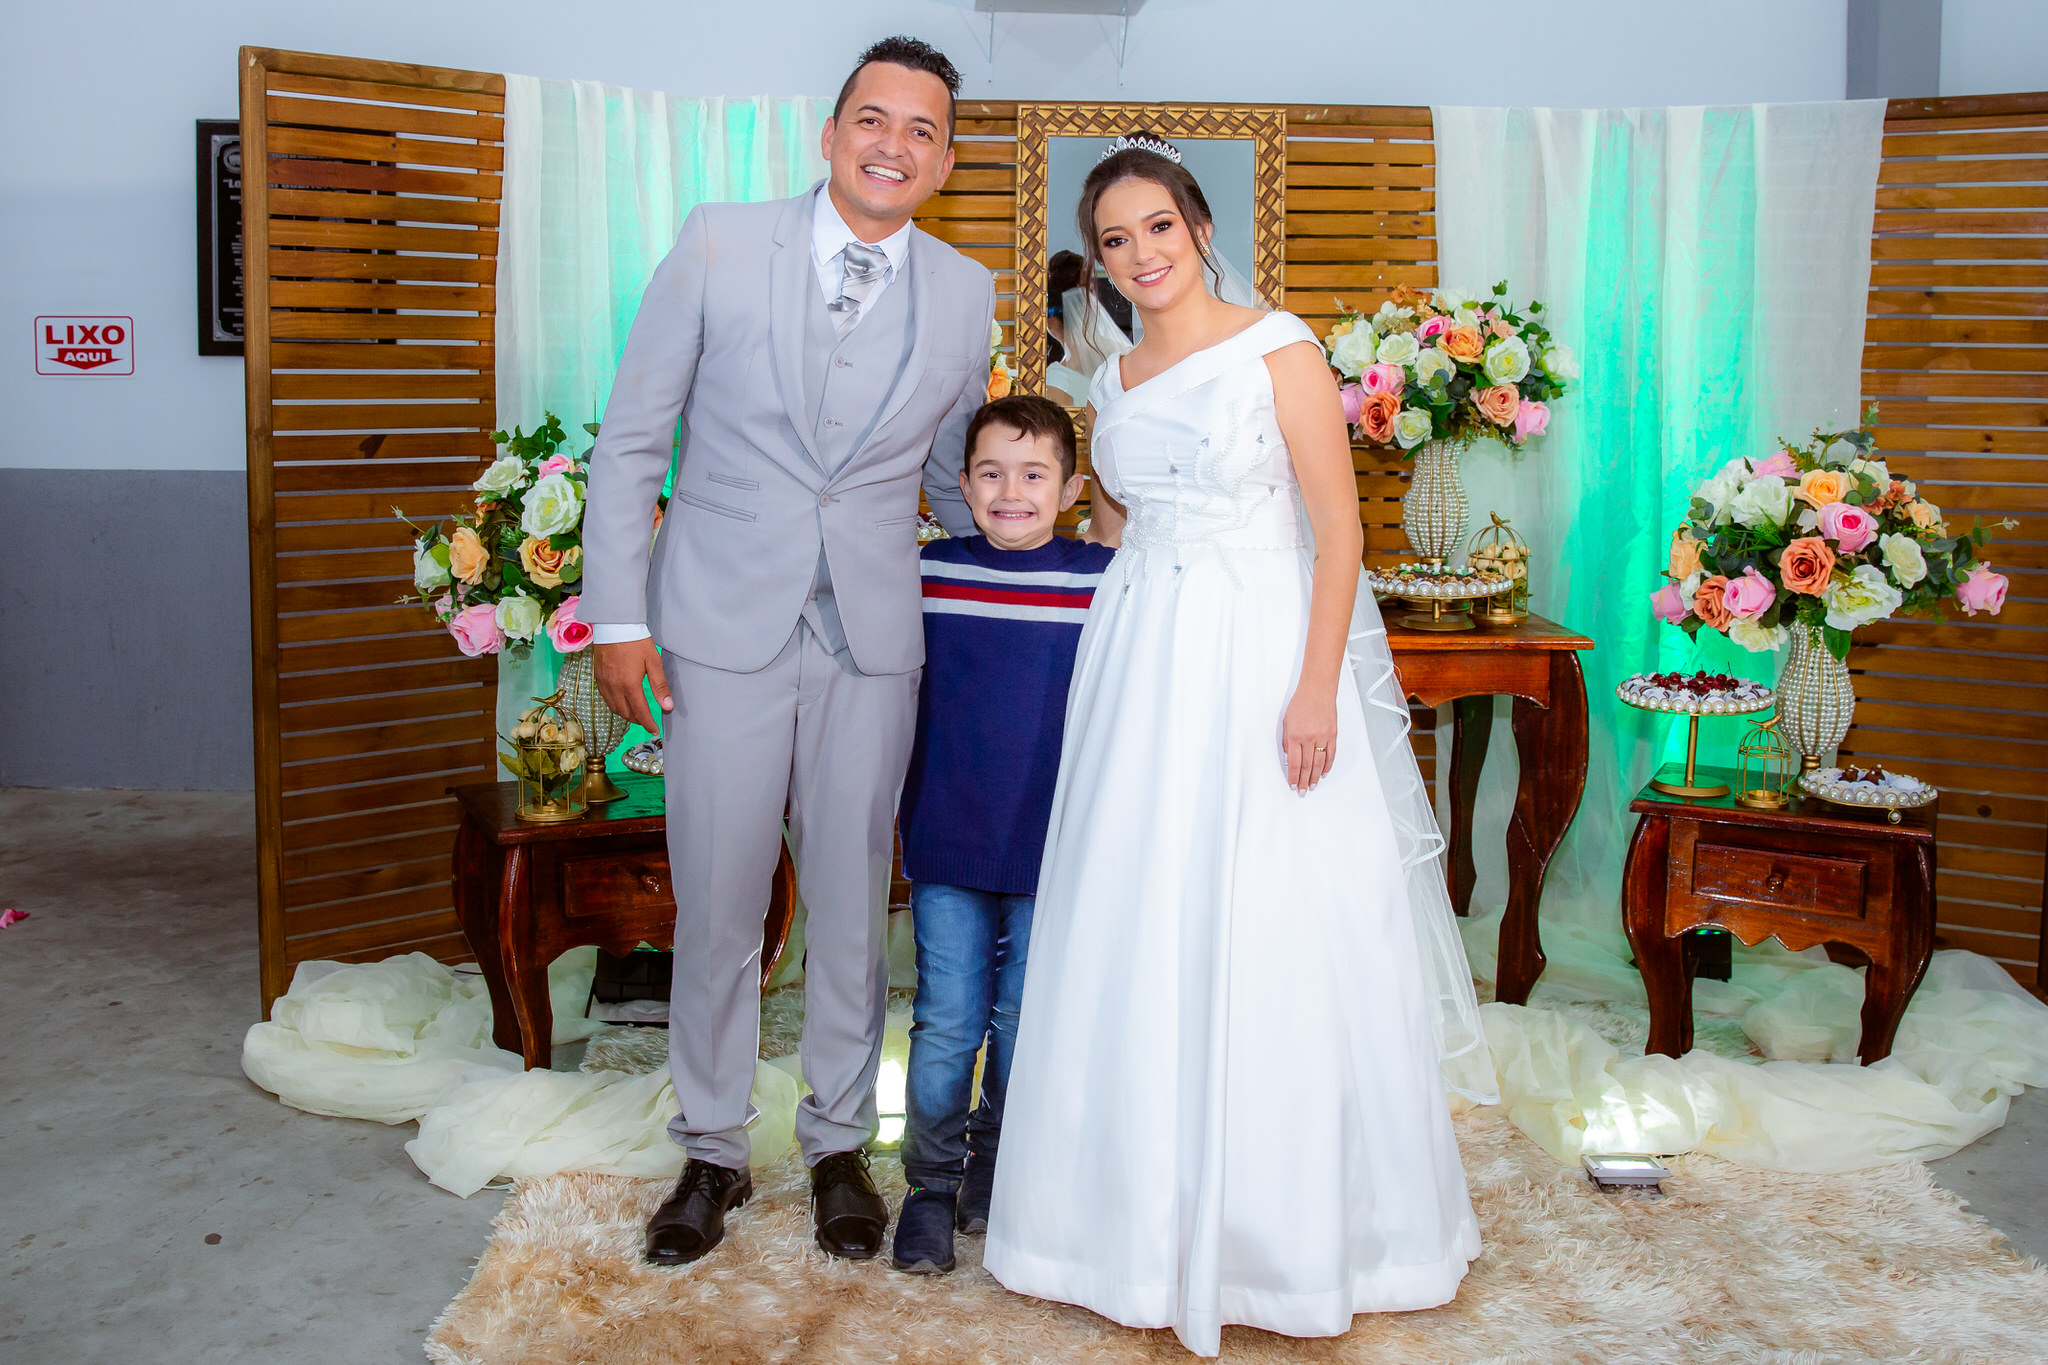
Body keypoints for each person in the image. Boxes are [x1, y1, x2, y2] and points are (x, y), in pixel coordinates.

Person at [981, 133, 1492, 1357]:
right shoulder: (1111, 380)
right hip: (1141, 655)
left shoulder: (1280, 351)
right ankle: (1114, 1227)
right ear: (1098, 261)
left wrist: (1314, 691)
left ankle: (1288, 1236)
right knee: (1134, 908)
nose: (1140, 254)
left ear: (1200, 229)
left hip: (1259, 647)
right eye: (1114, 240)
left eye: (1157, 227)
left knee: (1274, 908)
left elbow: (1339, 535)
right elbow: (1116, 525)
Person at [580, 36, 995, 1268]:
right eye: (873, 119)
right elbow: (632, 439)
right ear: (830, 133)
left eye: (921, 130)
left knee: (855, 902)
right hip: (716, 624)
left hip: (871, 635)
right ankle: (711, 1148)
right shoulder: (718, 241)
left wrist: (1049, 560)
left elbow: (951, 479)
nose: (893, 145)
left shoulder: (963, 291)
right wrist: (618, 620)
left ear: (944, 162)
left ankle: (835, 1146)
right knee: (717, 895)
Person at [889, 395, 1115, 1275]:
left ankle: (997, 1161)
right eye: (990, 473)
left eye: (1033, 474)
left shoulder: (1103, 582)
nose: (1010, 492)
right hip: (948, 837)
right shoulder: (929, 574)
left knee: (1024, 1019)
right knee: (947, 1022)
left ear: (1071, 489)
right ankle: (929, 1186)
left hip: (1051, 847)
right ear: (961, 484)